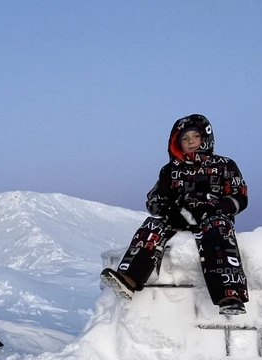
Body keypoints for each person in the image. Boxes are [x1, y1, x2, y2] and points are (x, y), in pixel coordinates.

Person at [101, 113, 249, 315]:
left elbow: (239, 196)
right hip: (179, 218)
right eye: (185, 139)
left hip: (212, 217)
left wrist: (214, 208)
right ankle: (129, 279)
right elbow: (153, 199)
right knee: (152, 226)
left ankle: (230, 295)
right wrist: (168, 211)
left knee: (219, 234)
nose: (190, 142)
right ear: (177, 143)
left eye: (195, 137)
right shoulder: (170, 170)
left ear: (205, 138)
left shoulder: (224, 165)